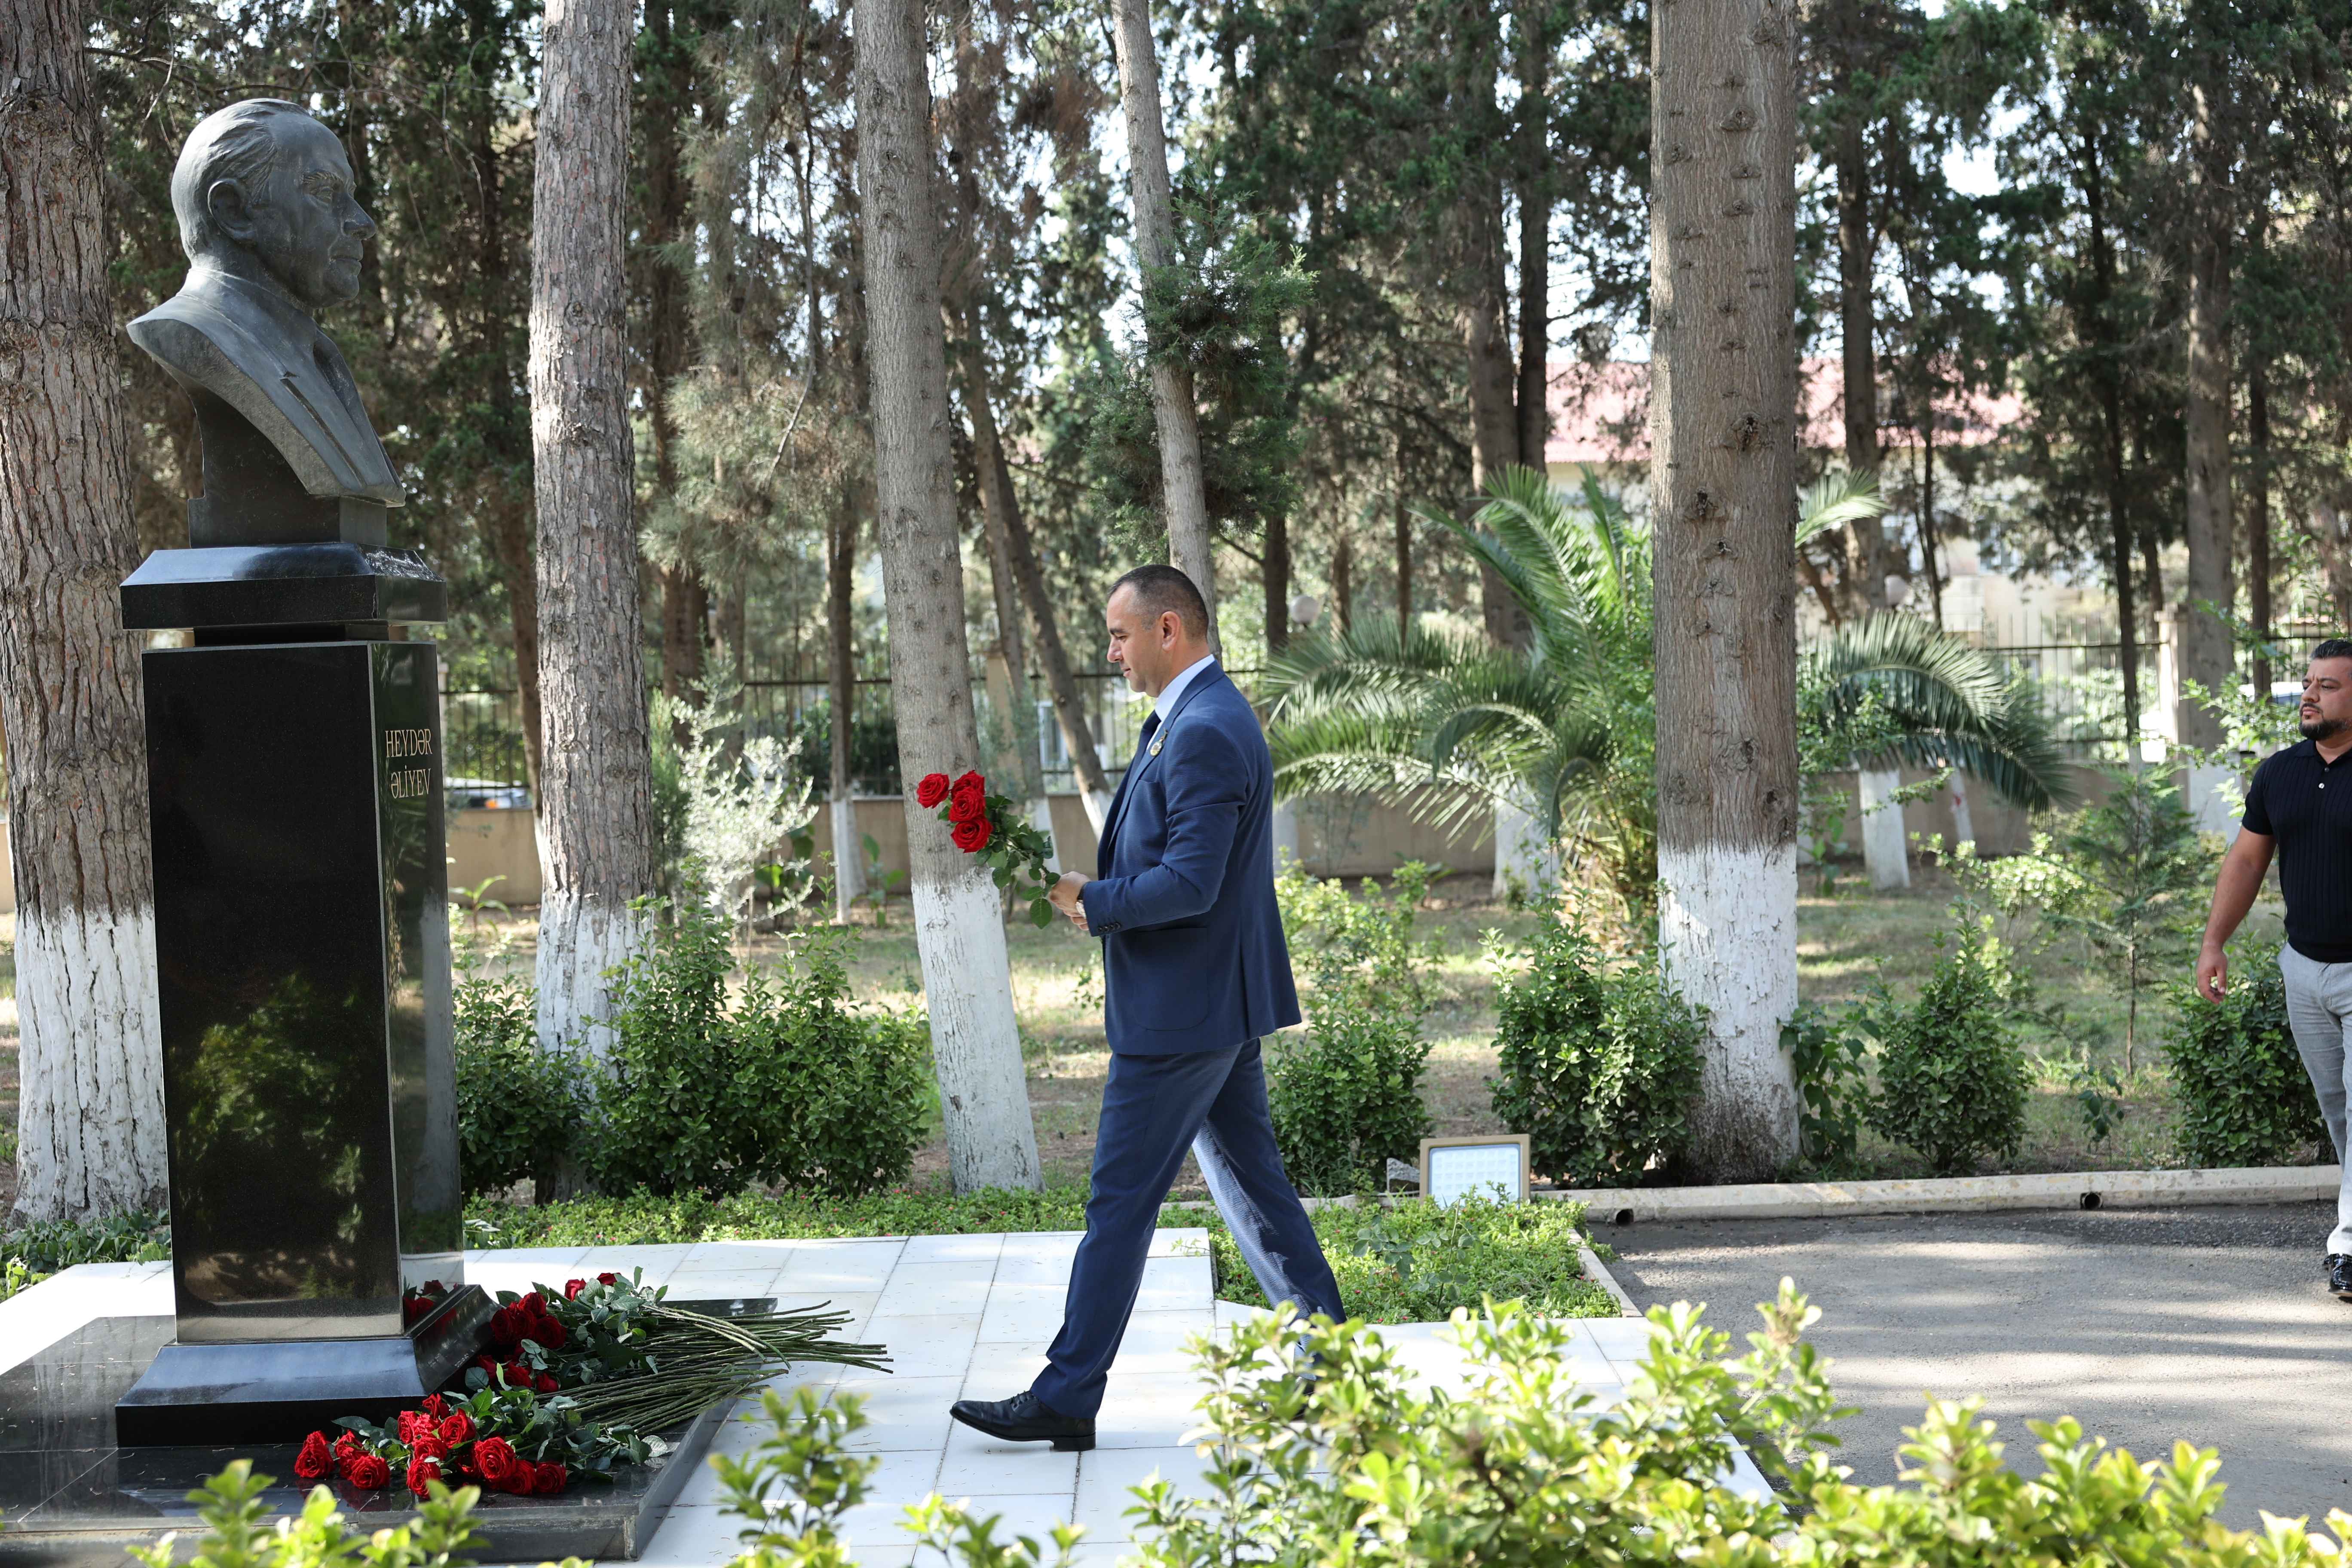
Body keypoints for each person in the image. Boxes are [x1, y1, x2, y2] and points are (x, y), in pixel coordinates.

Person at [947, 565, 1344, 1451]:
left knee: (1120, 1202)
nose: (1113, 652)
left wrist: (1095, 901)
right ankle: (1332, 1372)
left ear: (1171, 629)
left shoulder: (1204, 729)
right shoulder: (1194, 717)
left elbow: (1193, 882)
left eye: (1122, 636)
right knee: (1256, 1191)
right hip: (1208, 1005)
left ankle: (1067, 1393)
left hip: (1183, 1015)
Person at [2196, 637, 2352, 1302]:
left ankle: (2348, 1247)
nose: (2310, 695)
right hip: (2304, 968)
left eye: (2328, 686)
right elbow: (2246, 861)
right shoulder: (2279, 773)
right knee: (2338, 1107)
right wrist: (2214, 942)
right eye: (2309, 683)